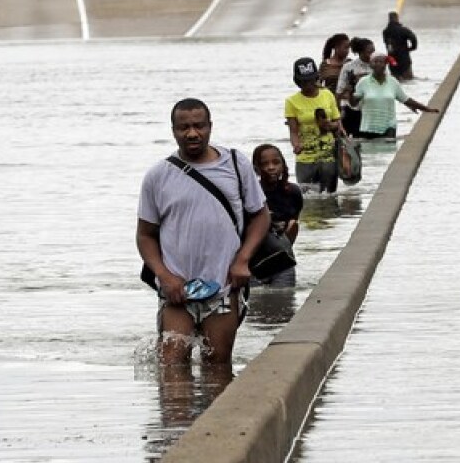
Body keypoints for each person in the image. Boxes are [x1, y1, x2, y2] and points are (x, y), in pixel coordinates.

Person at [136, 98, 270, 369]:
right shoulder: (158, 176)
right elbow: (145, 235)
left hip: (223, 288)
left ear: (210, 127)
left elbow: (260, 215)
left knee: (218, 367)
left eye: (199, 126)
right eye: (183, 127)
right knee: (172, 368)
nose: (192, 133)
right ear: (173, 130)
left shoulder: (235, 164)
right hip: (176, 292)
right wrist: (164, 276)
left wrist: (243, 260)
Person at [285, 57, 344, 193]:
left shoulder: (327, 95)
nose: (308, 85)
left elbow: (338, 123)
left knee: (329, 196)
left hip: (328, 156)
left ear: (316, 78)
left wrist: (330, 126)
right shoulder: (291, 102)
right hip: (305, 158)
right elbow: (293, 131)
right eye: (304, 81)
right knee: (308, 199)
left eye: (311, 80)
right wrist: (296, 145)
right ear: (298, 82)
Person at [351, 51, 438, 142]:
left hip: (388, 126)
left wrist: (426, 109)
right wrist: (350, 92)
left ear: (385, 64)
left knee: (387, 153)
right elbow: (353, 103)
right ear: (370, 65)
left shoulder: (392, 82)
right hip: (368, 127)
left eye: (381, 62)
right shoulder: (363, 82)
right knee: (371, 153)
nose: (378, 64)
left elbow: (406, 99)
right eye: (375, 61)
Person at [250, 143, 303, 287]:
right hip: (255, 261)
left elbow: (293, 227)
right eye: (265, 164)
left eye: (276, 162)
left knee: (284, 299)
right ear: (256, 168)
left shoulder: (293, 192)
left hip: (283, 259)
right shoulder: (252, 194)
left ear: (283, 164)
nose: (271, 167)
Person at [336, 37, 374, 137]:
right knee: (354, 142)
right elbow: (339, 91)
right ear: (360, 52)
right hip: (353, 111)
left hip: (373, 111)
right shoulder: (349, 67)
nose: (372, 55)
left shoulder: (379, 65)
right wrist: (337, 112)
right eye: (369, 52)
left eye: (373, 51)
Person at [382, 11, 418, 81]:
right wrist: (412, 47)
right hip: (404, 58)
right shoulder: (403, 30)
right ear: (397, 18)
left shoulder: (385, 31)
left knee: (395, 79)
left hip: (392, 59)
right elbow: (413, 37)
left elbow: (387, 44)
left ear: (389, 19)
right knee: (408, 79)